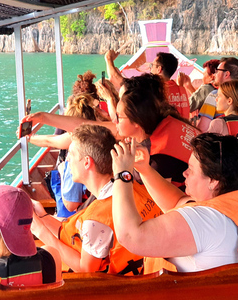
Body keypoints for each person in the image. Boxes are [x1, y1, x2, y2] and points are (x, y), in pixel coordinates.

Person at [110, 133, 238, 273]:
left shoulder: (209, 221)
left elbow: (131, 236)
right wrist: (144, 168)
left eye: (191, 169)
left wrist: (122, 174)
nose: (185, 173)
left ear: (214, 181)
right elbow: (177, 202)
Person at [22, 74, 199, 188]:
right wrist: (43, 118)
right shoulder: (162, 123)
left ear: (136, 122)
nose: (113, 119)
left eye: (119, 117)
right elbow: (85, 125)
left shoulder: (156, 161)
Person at [31, 125, 162, 275]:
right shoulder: (132, 185)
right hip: (149, 271)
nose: (68, 160)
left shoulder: (97, 219)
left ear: (87, 162)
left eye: (71, 155)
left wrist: (40, 232)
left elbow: (86, 272)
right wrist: (42, 217)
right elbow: (73, 235)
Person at [197, 57, 238, 132]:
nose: (214, 74)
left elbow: (202, 129)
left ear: (226, 74)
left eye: (217, 71)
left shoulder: (215, 95)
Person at [150, 52, 190, 119]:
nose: (150, 69)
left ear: (159, 69)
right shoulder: (182, 90)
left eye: (152, 65)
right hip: (182, 128)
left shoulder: (157, 91)